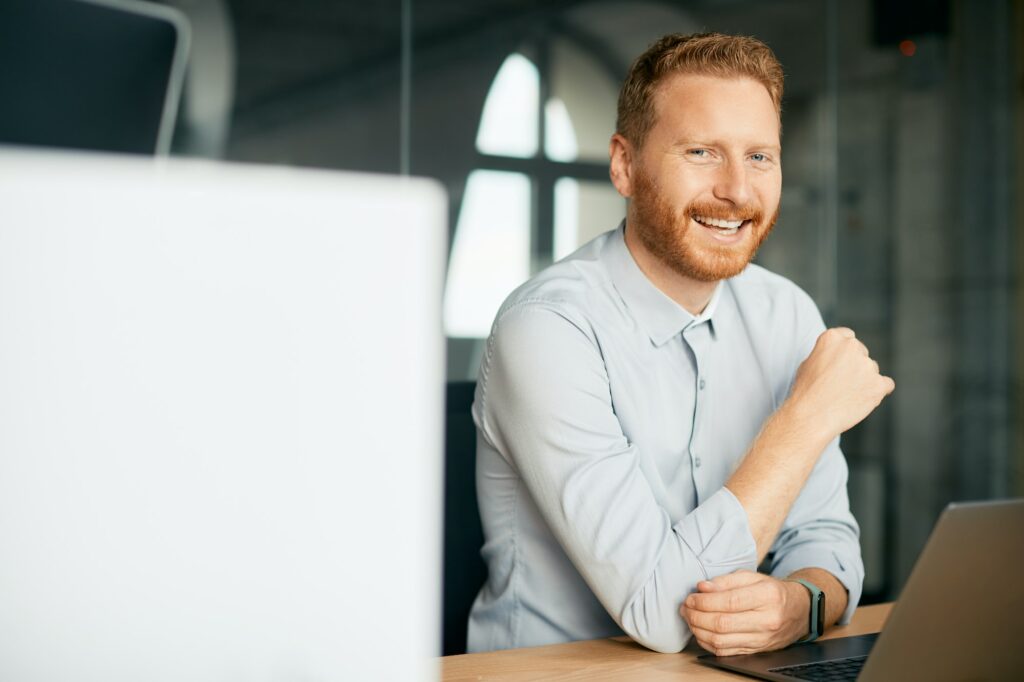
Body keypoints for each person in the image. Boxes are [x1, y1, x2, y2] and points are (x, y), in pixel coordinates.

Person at [466, 32, 895, 655]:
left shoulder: (785, 313)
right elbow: (660, 615)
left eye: (760, 158)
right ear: (624, 165)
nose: (738, 192)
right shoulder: (547, 329)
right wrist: (804, 420)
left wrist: (797, 606)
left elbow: (825, 538)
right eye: (701, 152)